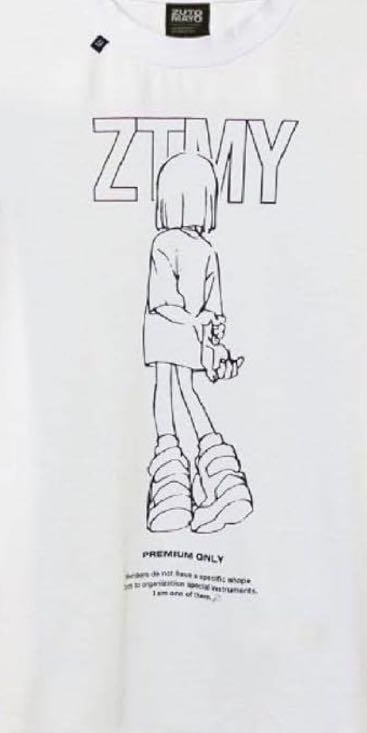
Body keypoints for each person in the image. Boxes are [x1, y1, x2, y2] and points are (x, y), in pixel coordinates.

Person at [142, 152, 253, 533]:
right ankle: (225, 482)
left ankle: (172, 490)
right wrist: (211, 338)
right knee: (187, 394)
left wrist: (200, 328)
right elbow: (213, 310)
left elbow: (161, 301)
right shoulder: (207, 251)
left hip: (166, 330)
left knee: (167, 394)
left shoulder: (164, 243)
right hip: (190, 332)